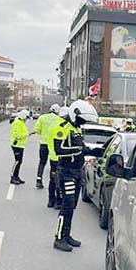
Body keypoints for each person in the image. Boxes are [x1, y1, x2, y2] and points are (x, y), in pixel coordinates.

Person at [52, 100, 98, 252]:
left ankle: (66, 235)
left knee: (72, 206)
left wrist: (98, 151)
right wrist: (78, 150)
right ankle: (59, 238)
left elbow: (83, 149)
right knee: (67, 205)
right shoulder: (62, 128)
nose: (82, 122)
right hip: (66, 172)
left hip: (77, 172)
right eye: (81, 119)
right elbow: (59, 150)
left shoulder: (76, 129)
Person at [46, 106, 69, 209]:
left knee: (53, 179)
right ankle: (58, 201)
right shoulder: (63, 126)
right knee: (60, 180)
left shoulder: (52, 124)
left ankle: (51, 200)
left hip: (52, 156)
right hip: (61, 157)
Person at [33, 104, 61, 190]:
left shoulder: (42, 117)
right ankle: (53, 181)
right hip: (53, 145)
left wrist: (43, 134)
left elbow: (37, 129)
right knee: (54, 164)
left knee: (42, 162)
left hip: (43, 143)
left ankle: (39, 179)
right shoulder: (59, 120)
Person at [10, 110, 30, 185]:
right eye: (26, 117)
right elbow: (17, 135)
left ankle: (16, 176)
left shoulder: (20, 123)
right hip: (16, 145)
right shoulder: (17, 123)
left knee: (19, 161)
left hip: (20, 145)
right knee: (17, 161)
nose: (26, 119)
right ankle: (13, 177)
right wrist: (26, 134)